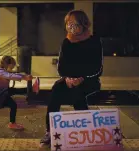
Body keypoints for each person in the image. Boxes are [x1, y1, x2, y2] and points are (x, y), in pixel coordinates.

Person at [40, 9, 103, 146]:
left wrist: (82, 78)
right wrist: (67, 78)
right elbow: (61, 67)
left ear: (83, 24)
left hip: (89, 80)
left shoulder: (94, 41)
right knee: (56, 89)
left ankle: (87, 132)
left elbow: (97, 68)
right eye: (68, 24)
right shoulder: (66, 42)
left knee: (77, 93)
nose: (71, 27)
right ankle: (50, 131)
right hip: (69, 79)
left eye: (75, 24)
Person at [0, 55, 39, 130]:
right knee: (13, 96)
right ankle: (32, 90)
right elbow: (10, 76)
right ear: (7, 64)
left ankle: (12, 123)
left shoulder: (2, 70)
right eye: (12, 66)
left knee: (13, 103)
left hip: (0, 93)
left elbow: (13, 74)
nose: (13, 68)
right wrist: (24, 77)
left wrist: (24, 76)